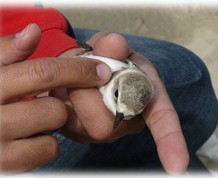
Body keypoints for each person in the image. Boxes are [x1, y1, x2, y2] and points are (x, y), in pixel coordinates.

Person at [0, 5, 217, 175]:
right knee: (189, 89)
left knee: (188, 72)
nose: (120, 115)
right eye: (116, 98)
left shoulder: (124, 86)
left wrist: (56, 47)